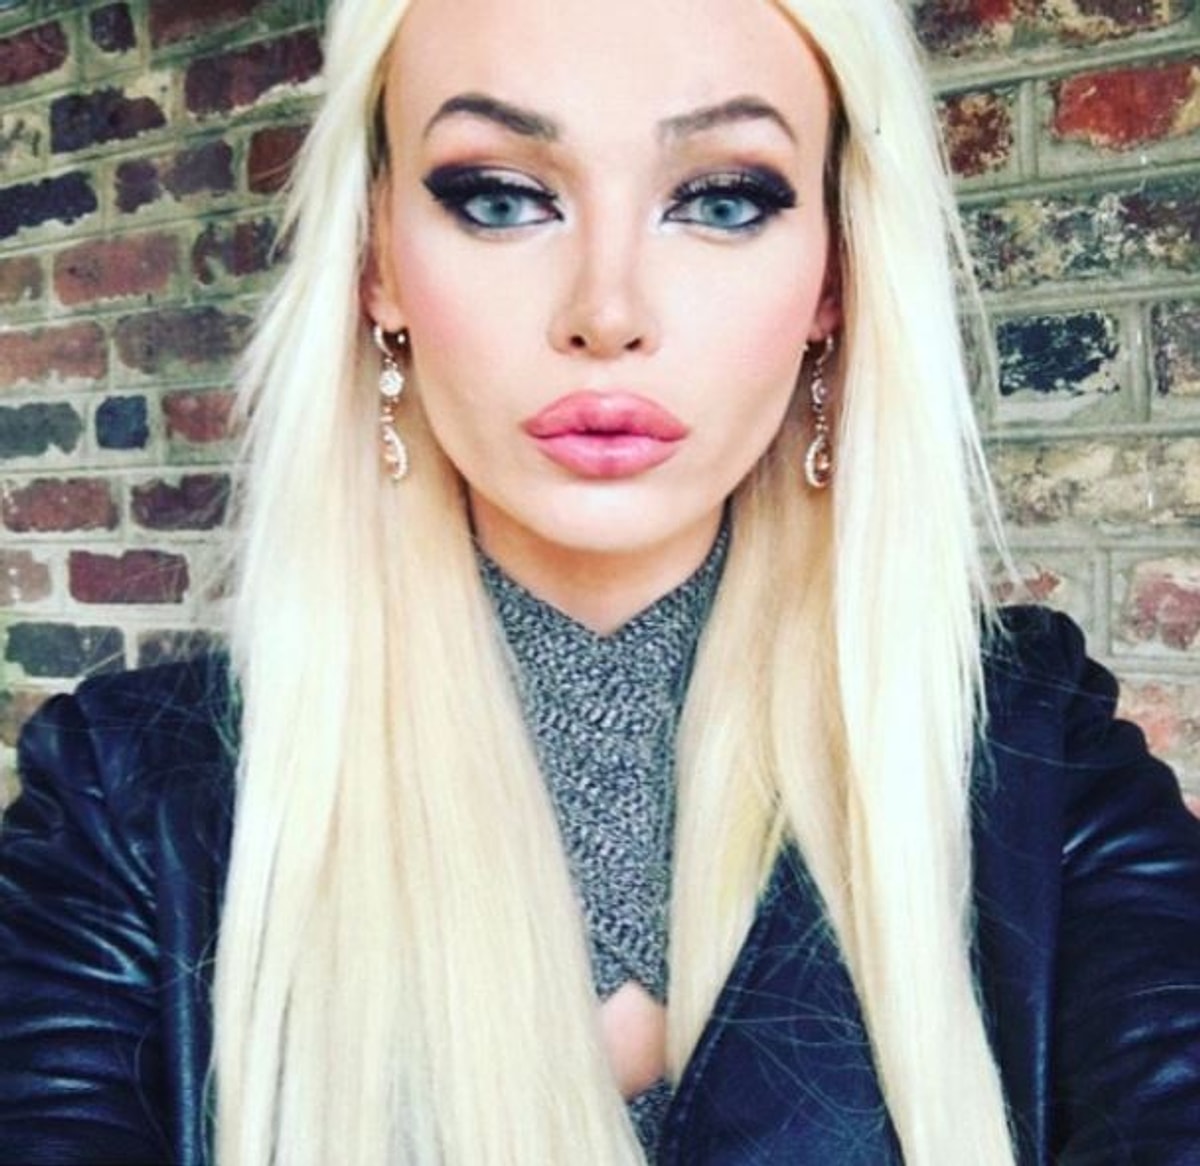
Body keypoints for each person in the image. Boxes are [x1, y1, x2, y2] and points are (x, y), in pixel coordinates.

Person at [1, 0, 1198, 1162]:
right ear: (377, 258)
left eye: (723, 200)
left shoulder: (1034, 749)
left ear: (833, 275)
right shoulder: (127, 802)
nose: (607, 311)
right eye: (501, 197)